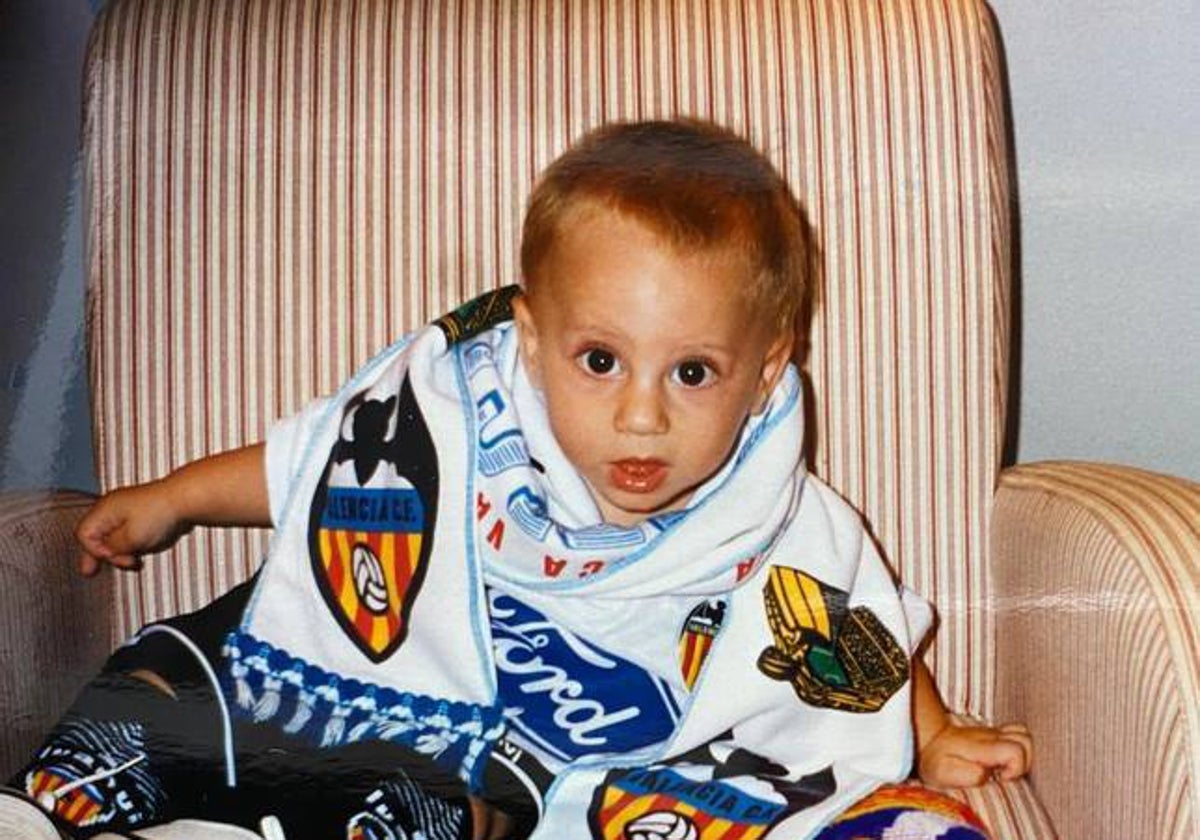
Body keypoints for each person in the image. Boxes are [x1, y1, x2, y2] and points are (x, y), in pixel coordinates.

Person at [6, 119, 1031, 840]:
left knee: (446, 806)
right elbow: (317, 470)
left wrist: (931, 737)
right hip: (380, 658)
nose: (642, 415)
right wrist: (174, 498)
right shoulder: (459, 416)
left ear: (766, 370)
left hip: (540, 737)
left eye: (692, 372)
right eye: (600, 361)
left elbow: (849, 635)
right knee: (185, 677)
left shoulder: (767, 512)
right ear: (532, 342)